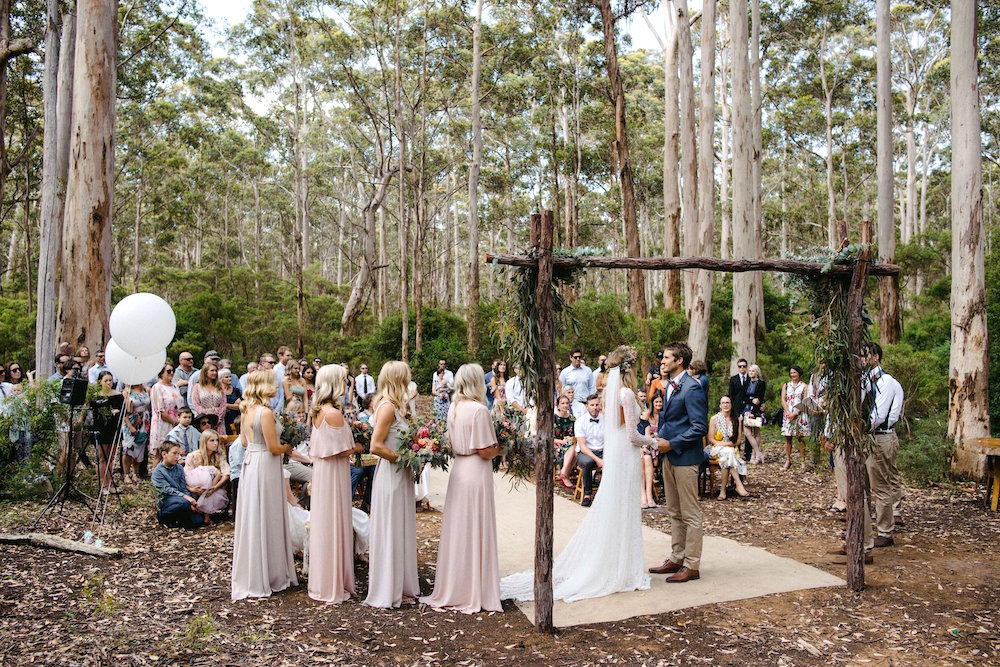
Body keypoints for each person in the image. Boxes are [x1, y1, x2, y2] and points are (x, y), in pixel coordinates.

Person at [501, 345, 656, 602]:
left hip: (617, 452)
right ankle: (621, 568)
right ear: (629, 369)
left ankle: (618, 563)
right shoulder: (627, 394)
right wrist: (651, 442)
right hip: (625, 454)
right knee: (623, 506)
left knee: (616, 506)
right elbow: (631, 434)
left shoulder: (611, 393)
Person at [422, 364, 503, 613]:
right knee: (475, 526)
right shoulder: (480, 411)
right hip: (476, 471)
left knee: (460, 529)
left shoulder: (455, 408)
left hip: (459, 471)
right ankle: (475, 588)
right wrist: (503, 447)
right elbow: (485, 450)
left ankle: (458, 584)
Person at [231, 369, 298, 600]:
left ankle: (256, 571)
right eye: (273, 383)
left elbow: (242, 441)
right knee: (268, 514)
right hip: (266, 464)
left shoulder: (246, 409)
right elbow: (273, 447)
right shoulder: (265, 412)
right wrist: (287, 447)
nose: (277, 386)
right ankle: (271, 572)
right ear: (263, 385)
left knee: (255, 516)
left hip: (251, 464)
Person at [650, 341, 708, 584]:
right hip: (668, 456)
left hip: (684, 457)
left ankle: (692, 565)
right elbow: (671, 420)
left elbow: (699, 427)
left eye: (666, 358)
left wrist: (671, 444)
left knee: (690, 513)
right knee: (673, 511)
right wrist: (658, 436)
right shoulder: (670, 386)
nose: (662, 361)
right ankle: (677, 556)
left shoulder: (692, 388)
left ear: (679, 361)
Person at [364, 361, 419, 609]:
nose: (409, 381)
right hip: (392, 475)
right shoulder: (386, 408)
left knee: (400, 527)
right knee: (391, 528)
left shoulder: (397, 406)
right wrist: (404, 458)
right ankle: (388, 587)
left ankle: (400, 583)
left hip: (401, 475)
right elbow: (375, 446)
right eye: (406, 377)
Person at [307, 364, 360, 604]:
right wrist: (359, 446)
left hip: (323, 472)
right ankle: (333, 582)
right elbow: (343, 450)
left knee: (325, 522)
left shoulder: (318, 411)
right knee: (334, 521)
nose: (346, 383)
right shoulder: (333, 414)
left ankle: (324, 579)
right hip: (335, 472)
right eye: (342, 380)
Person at [864, 343, 904, 548]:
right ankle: (868, 528)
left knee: (880, 485)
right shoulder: (866, 380)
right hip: (868, 437)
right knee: (867, 484)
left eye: (865, 355)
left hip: (880, 437)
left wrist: (859, 426)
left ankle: (886, 531)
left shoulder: (886, 382)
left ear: (876, 357)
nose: (862, 359)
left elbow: (878, 415)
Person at [151, 442, 203, 529]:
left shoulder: (178, 467)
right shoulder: (158, 472)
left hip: (181, 498)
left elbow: (183, 487)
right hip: (166, 499)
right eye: (174, 453)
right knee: (183, 503)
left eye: (178, 454)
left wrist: (190, 501)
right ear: (164, 454)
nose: (177, 457)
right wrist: (187, 498)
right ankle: (163, 515)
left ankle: (179, 518)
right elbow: (167, 490)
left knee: (197, 522)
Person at [184, 430, 230, 521]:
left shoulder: (219, 454)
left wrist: (215, 488)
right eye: (212, 441)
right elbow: (186, 476)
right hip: (196, 486)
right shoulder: (193, 456)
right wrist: (192, 489)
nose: (216, 443)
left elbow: (226, 473)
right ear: (204, 442)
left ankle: (207, 515)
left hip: (213, 486)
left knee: (217, 473)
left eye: (217, 440)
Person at [708, 396, 749, 500]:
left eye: (727, 402)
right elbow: (711, 439)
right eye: (723, 403)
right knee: (728, 453)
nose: (725, 405)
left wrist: (725, 445)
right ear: (720, 405)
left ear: (731, 405)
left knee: (727, 455)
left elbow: (738, 441)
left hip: (730, 449)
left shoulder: (736, 419)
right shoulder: (714, 419)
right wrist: (722, 444)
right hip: (716, 448)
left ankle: (723, 491)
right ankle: (739, 485)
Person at [91, 371, 124, 492]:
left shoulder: (118, 395)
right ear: (100, 382)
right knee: (102, 457)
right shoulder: (96, 396)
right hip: (101, 428)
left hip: (113, 429)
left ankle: (109, 483)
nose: (109, 383)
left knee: (111, 457)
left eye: (110, 380)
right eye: (106, 380)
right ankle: (102, 484)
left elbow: (121, 410)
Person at [573, 393, 605, 507]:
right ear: (587, 406)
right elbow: (582, 446)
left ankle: (606, 494)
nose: (595, 407)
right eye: (592, 405)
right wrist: (598, 460)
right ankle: (587, 494)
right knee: (587, 462)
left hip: (602, 451)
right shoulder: (580, 421)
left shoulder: (606, 420)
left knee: (614, 461)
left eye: (597, 405)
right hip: (585, 452)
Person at [150, 364, 183, 466]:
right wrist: (173, 422)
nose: (172, 373)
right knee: (161, 454)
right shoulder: (157, 387)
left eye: (173, 370)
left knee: (175, 453)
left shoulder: (175, 386)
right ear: (161, 373)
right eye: (168, 371)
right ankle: (157, 478)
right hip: (163, 423)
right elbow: (159, 410)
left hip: (177, 422)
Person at [781, 365, 810, 469]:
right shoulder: (786, 385)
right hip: (788, 413)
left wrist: (795, 413)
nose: (793, 375)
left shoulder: (804, 386)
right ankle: (788, 460)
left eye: (795, 372)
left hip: (799, 414)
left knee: (800, 438)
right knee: (788, 438)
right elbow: (783, 399)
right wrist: (788, 412)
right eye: (791, 373)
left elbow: (805, 401)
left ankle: (803, 461)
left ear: (799, 373)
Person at [639, 393, 664, 509]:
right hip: (633, 451)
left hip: (645, 449)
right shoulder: (628, 424)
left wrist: (643, 449)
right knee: (641, 460)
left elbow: (647, 439)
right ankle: (642, 494)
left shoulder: (645, 424)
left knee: (647, 458)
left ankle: (649, 495)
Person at [121, 383, 150, 484]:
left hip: (144, 421)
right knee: (128, 448)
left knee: (140, 447)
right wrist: (129, 425)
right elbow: (123, 411)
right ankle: (126, 474)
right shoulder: (127, 392)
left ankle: (135, 473)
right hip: (131, 421)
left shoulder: (145, 391)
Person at [189, 361, 226, 436]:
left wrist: (218, 419)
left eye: (216, 370)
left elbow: (223, 403)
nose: (215, 372)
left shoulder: (219, 385)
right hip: (204, 420)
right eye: (212, 370)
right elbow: (196, 404)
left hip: (219, 418)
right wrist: (207, 419)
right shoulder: (197, 386)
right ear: (205, 372)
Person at [742, 364, 767, 464]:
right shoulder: (747, 382)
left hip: (756, 410)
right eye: (750, 371)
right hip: (746, 409)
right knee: (747, 433)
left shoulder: (761, 383)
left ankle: (754, 456)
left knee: (756, 433)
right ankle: (758, 453)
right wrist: (751, 400)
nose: (750, 372)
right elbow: (744, 398)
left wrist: (753, 411)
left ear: (757, 372)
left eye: (753, 371)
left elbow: (759, 398)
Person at [559, 349, 595, 413]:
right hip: (571, 404)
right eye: (575, 357)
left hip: (585, 403)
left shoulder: (587, 371)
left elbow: (591, 387)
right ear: (570, 358)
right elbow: (562, 389)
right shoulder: (565, 372)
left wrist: (591, 402)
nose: (578, 359)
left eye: (579, 357)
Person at [554, 392, 576, 487]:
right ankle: (565, 474)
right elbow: (550, 438)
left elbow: (576, 435)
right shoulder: (554, 418)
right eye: (562, 403)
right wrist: (562, 441)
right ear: (558, 405)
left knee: (574, 447)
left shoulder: (572, 419)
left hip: (569, 444)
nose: (565, 405)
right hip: (556, 445)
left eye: (567, 403)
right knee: (573, 448)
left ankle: (564, 472)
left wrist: (571, 438)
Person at [728, 358, 751, 430]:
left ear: (746, 367)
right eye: (740, 366)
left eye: (744, 366)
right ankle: (737, 441)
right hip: (736, 406)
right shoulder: (733, 379)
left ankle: (748, 442)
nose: (742, 368)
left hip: (748, 406)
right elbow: (731, 394)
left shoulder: (751, 379)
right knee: (736, 427)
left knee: (748, 428)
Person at [220, 369, 242, 436]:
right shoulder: (218, 392)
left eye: (230, 377)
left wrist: (226, 405)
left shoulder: (236, 390)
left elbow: (239, 406)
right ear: (220, 379)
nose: (229, 379)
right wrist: (233, 406)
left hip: (235, 420)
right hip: (223, 420)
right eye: (226, 377)